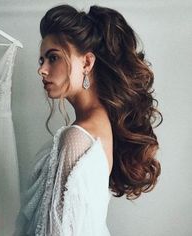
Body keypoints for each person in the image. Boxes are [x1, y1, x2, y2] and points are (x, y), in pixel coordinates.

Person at [14, 4, 162, 236]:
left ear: (86, 63)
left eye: (53, 58)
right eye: (41, 60)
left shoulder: (76, 137)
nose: (42, 69)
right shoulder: (100, 124)